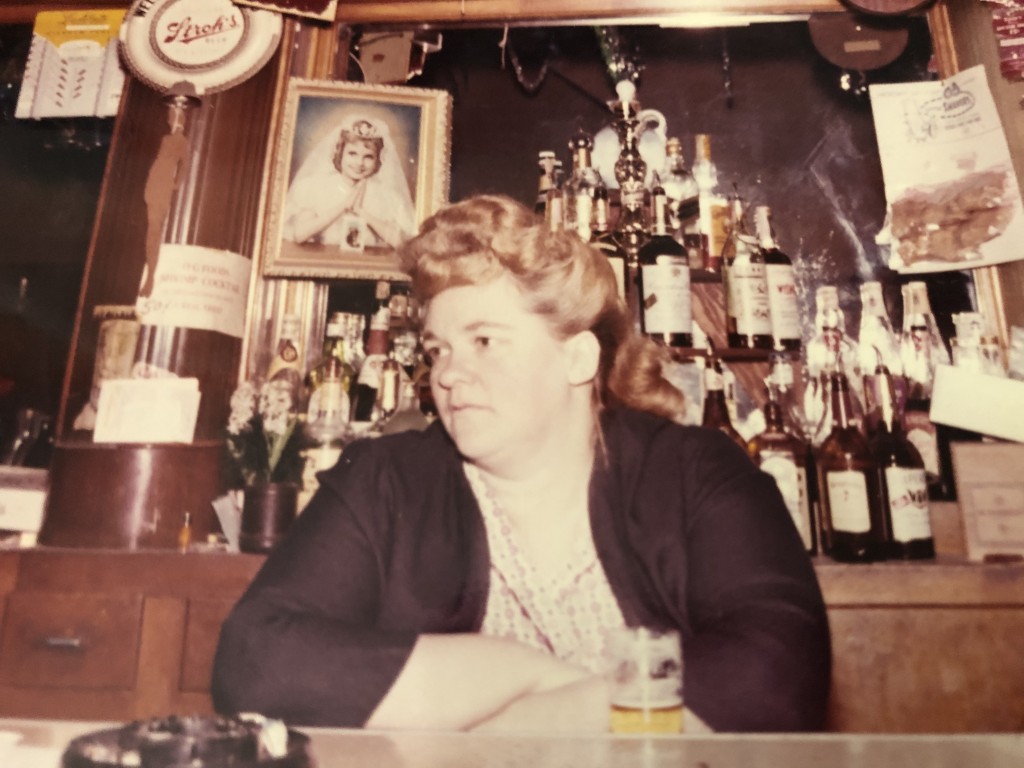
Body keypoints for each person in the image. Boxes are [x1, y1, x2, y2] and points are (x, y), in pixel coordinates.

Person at [212, 195, 831, 733]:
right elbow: (256, 660)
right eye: (438, 349)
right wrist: (526, 669)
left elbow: (779, 668)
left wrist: (509, 731)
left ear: (577, 358)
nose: (448, 374)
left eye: (484, 340)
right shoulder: (386, 480)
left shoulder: (694, 472)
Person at [282, 115, 416, 250]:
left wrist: (361, 212)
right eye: (352, 154)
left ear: (378, 160)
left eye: (368, 157)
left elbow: (402, 243)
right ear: (340, 154)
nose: (359, 163)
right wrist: (343, 207)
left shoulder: (387, 195)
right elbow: (299, 235)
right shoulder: (315, 187)